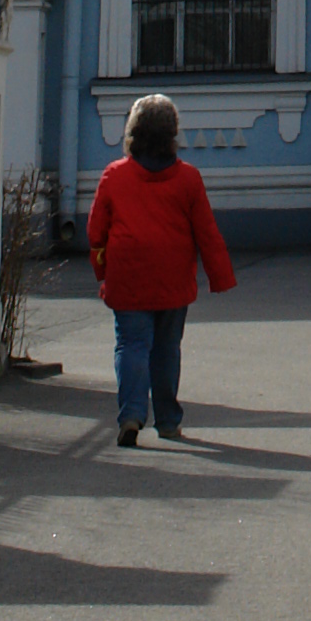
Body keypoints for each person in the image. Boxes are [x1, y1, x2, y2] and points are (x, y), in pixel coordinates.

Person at [86, 91, 236, 447]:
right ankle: (168, 421)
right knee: (167, 349)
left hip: (127, 274)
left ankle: (131, 415)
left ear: (133, 131)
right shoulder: (188, 178)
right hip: (173, 277)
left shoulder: (114, 175)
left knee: (131, 345)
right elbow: (207, 232)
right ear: (172, 133)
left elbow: (95, 231)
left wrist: (102, 272)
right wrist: (220, 277)